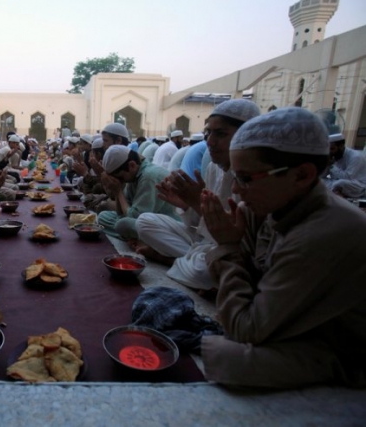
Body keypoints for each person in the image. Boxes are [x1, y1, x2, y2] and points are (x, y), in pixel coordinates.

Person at [200, 107, 366, 388]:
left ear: (301, 175)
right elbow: (250, 284)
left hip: (336, 348)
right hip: (286, 324)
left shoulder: (325, 231)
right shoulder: (262, 208)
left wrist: (227, 247)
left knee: (228, 356)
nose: (237, 191)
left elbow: (244, 328)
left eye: (246, 179)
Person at [132, 99, 261, 291]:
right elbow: (196, 225)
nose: (209, 141)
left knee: (202, 271)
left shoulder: (256, 177)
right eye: (208, 133)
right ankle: (194, 262)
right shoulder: (212, 168)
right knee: (144, 221)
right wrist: (186, 205)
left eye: (221, 134)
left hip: (231, 248)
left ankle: (169, 259)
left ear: (246, 136)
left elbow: (238, 239)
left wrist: (196, 204)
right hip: (205, 242)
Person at [97, 145, 179, 240]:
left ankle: (141, 240)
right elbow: (122, 213)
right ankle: (133, 238)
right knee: (103, 216)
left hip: (166, 227)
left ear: (132, 165)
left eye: (121, 178)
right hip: (144, 222)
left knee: (123, 224)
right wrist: (117, 192)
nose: (120, 182)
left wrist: (119, 192)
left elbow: (136, 217)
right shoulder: (134, 174)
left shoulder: (149, 177)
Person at [322, 133, 366, 199]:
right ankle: (337, 193)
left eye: (332, 149)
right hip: (335, 181)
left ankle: (336, 194)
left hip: (357, 184)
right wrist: (326, 165)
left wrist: (332, 165)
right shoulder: (333, 155)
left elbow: (347, 177)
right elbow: (323, 176)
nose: (330, 152)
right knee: (320, 181)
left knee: (340, 183)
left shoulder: (356, 157)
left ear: (341, 146)